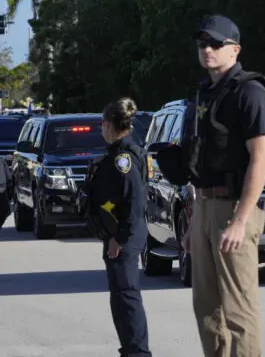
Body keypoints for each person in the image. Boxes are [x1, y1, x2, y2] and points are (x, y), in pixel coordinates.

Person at [157, 14, 265, 357]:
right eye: (202, 44)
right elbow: (200, 166)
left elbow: (261, 159)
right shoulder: (204, 95)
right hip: (206, 209)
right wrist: (195, 223)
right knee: (206, 309)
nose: (207, 49)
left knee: (238, 311)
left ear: (235, 49)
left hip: (235, 209)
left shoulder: (249, 93)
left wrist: (240, 220)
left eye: (215, 43)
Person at [82, 97, 152, 357]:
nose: (102, 128)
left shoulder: (123, 158)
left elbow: (134, 201)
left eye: (103, 123)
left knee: (127, 297)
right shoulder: (118, 154)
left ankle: (137, 352)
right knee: (121, 297)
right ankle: (131, 349)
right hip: (119, 235)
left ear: (110, 125)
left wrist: (120, 238)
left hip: (124, 238)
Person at [0, 157, 13, 229]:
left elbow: (9, 178)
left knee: (4, 211)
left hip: (1, 190)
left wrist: (9, 186)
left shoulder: (1, 161)